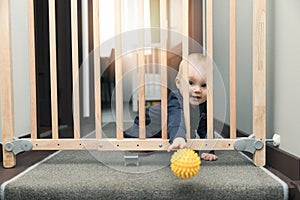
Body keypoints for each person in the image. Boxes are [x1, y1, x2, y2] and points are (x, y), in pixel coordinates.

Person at [124, 53, 218, 161]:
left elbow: (205, 128)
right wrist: (178, 137)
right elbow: (177, 119)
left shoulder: (203, 104)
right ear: (178, 83)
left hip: (170, 128)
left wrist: (207, 150)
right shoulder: (176, 100)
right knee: (139, 141)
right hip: (148, 123)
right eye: (191, 83)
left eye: (204, 85)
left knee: (189, 136)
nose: (197, 90)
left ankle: (176, 137)